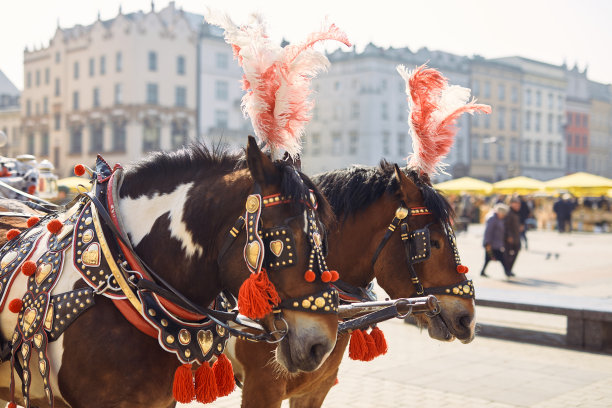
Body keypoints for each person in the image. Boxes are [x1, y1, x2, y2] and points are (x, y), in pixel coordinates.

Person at [480, 203, 513, 278]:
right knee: (502, 258)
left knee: (488, 259)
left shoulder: (498, 219)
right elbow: (488, 232)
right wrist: (487, 243)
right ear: (500, 212)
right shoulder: (492, 219)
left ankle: (483, 271)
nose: (504, 215)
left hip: (496, 243)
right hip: (492, 244)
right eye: (503, 214)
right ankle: (507, 272)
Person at [504, 197, 522, 275]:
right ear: (512, 204)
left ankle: (509, 269)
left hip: (516, 237)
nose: (518, 206)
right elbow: (506, 226)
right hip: (510, 238)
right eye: (516, 204)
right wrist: (509, 236)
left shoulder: (515, 212)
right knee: (508, 254)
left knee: (515, 252)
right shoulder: (509, 212)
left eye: (519, 205)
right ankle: (508, 270)